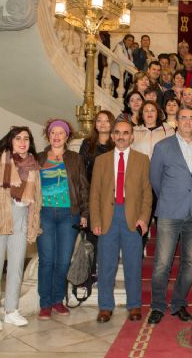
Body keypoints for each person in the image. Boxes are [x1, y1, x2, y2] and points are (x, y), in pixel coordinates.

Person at [148, 106, 192, 325]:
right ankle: (157, 306)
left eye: (191, 118)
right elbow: (155, 180)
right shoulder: (162, 147)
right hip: (169, 212)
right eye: (182, 118)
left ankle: (178, 303)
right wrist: (169, 198)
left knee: (190, 264)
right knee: (162, 264)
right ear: (177, 121)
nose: (186, 121)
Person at [0, 126, 42, 332]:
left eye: (26, 139)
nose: (22, 142)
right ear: (10, 141)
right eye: (18, 138)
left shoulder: (33, 167)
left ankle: (12, 311)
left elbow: (36, 199)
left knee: (16, 270)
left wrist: (33, 224)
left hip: (21, 222)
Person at [90, 120, 153, 323]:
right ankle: (105, 307)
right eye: (117, 132)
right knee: (106, 264)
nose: (121, 136)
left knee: (133, 264)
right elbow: (95, 194)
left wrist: (144, 219)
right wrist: (96, 219)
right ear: (112, 136)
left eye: (125, 133)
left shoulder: (143, 160)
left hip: (132, 217)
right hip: (108, 217)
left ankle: (134, 305)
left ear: (132, 136)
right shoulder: (101, 160)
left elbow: (147, 193)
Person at [37, 119, 89, 320]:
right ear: (48, 135)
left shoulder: (75, 159)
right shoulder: (39, 158)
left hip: (69, 214)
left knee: (63, 260)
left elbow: (84, 187)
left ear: (67, 137)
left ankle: (58, 300)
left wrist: (84, 213)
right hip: (44, 214)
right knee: (47, 260)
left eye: (61, 133)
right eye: (53, 133)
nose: (57, 136)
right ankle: (45, 303)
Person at [79, 110, 116, 284]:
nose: (102, 124)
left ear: (112, 123)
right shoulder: (87, 144)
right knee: (92, 237)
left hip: (111, 197)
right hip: (92, 195)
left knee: (108, 238)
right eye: (99, 120)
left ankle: (107, 274)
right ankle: (91, 273)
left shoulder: (116, 144)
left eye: (106, 121)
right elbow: (80, 171)